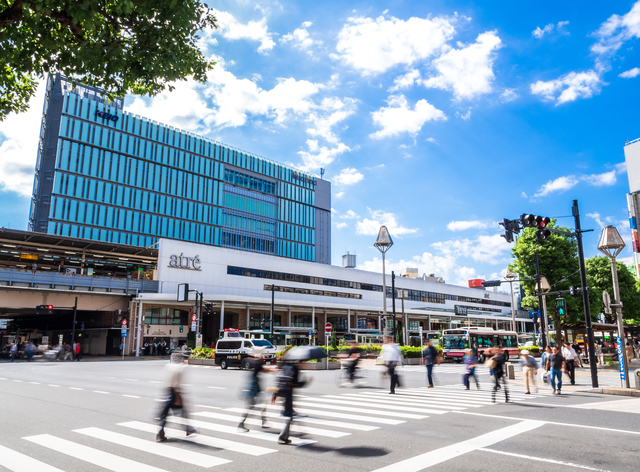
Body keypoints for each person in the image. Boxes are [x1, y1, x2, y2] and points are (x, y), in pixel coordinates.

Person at [156, 352, 198, 442]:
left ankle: (161, 433)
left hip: (169, 391)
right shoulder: (181, 368)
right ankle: (187, 429)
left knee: (166, 413)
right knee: (183, 411)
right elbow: (177, 383)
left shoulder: (169, 366)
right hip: (175, 393)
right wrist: (178, 397)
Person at [238, 348, 272, 431]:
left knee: (258, 405)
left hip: (255, 388)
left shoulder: (256, 363)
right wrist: (272, 369)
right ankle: (241, 424)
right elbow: (265, 370)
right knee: (252, 406)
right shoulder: (258, 363)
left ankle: (264, 421)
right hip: (254, 389)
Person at [276, 360, 308, 445]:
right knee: (289, 416)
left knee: (292, 413)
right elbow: (296, 384)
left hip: (282, 393)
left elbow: (279, 380)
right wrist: (305, 381)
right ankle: (282, 437)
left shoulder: (285, 367)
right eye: (304, 362)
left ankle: (300, 432)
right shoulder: (295, 369)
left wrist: (274, 394)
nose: (305, 364)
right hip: (288, 395)